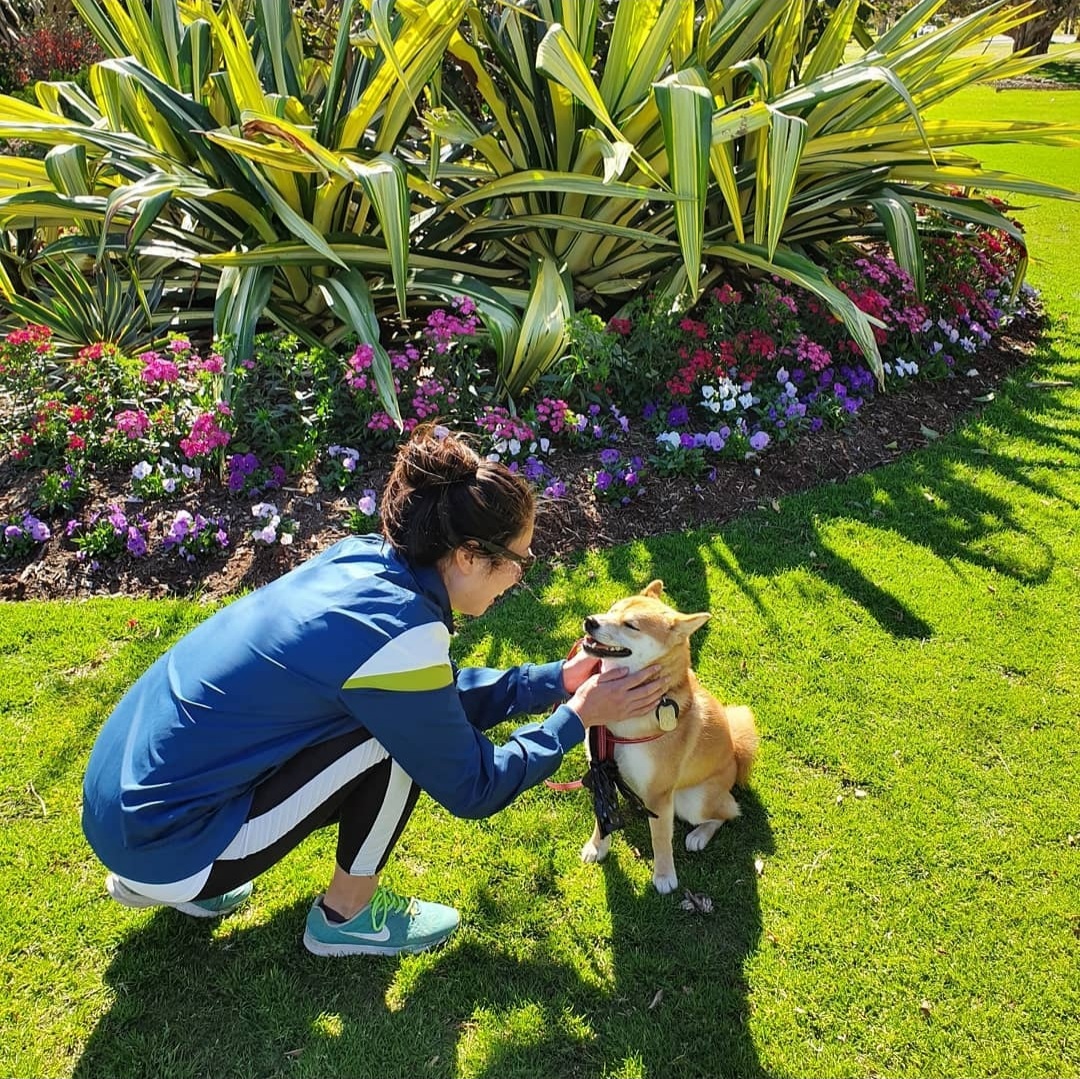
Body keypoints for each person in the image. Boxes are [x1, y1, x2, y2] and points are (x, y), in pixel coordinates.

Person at [82, 425, 667, 957]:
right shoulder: (401, 634)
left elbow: (423, 704)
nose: (521, 575)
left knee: (387, 727)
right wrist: (576, 716)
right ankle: (346, 915)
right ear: (467, 556)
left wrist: (553, 682)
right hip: (161, 840)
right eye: (519, 560)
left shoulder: (363, 556)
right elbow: (474, 784)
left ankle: (171, 875)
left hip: (116, 800)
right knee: (390, 745)